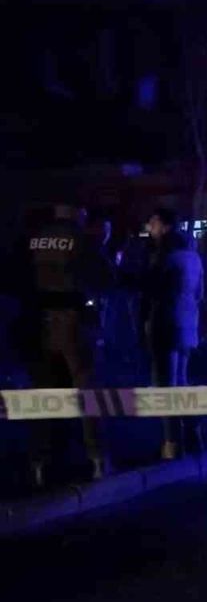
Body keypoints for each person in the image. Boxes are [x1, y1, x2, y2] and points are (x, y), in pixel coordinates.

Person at [25, 204, 113, 485]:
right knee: (86, 390)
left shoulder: (35, 238)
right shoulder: (80, 240)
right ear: (77, 215)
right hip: (73, 322)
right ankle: (97, 459)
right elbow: (105, 276)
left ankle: (40, 462)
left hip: (39, 323)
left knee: (45, 395)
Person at [144, 211, 205, 460]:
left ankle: (172, 444)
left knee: (165, 386)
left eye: (153, 222)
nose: (149, 227)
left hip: (165, 324)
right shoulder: (193, 256)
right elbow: (200, 293)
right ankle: (193, 434)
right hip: (188, 325)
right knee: (181, 382)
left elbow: (150, 288)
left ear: (165, 226)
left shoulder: (164, 255)